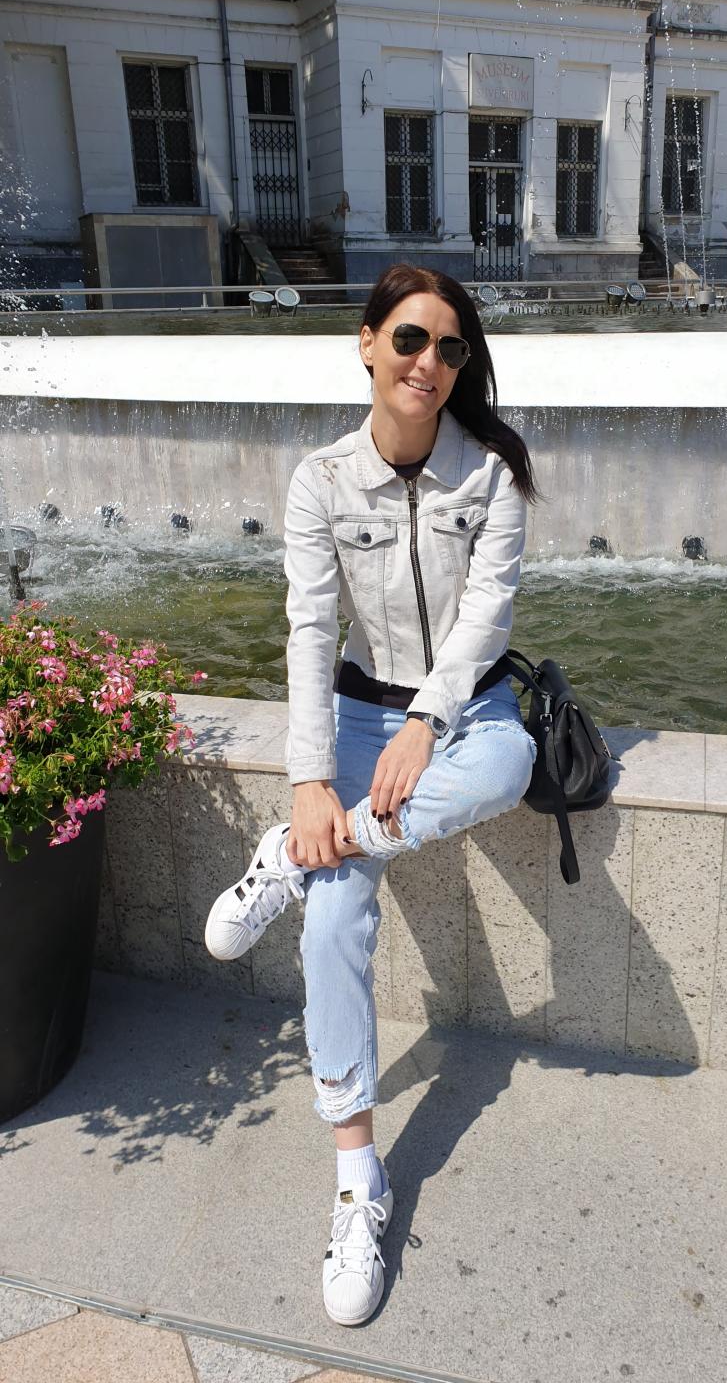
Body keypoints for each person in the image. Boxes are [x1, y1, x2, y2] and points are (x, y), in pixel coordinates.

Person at [205, 263, 538, 1327]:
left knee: (512, 766)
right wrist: (309, 781)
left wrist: (427, 723)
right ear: (366, 343)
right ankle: (359, 1182)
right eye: (409, 339)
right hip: (356, 716)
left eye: (450, 347)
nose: (429, 362)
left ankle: (294, 855)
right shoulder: (321, 482)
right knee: (335, 909)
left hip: (467, 712)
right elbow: (311, 633)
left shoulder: (491, 475)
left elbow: (487, 619)